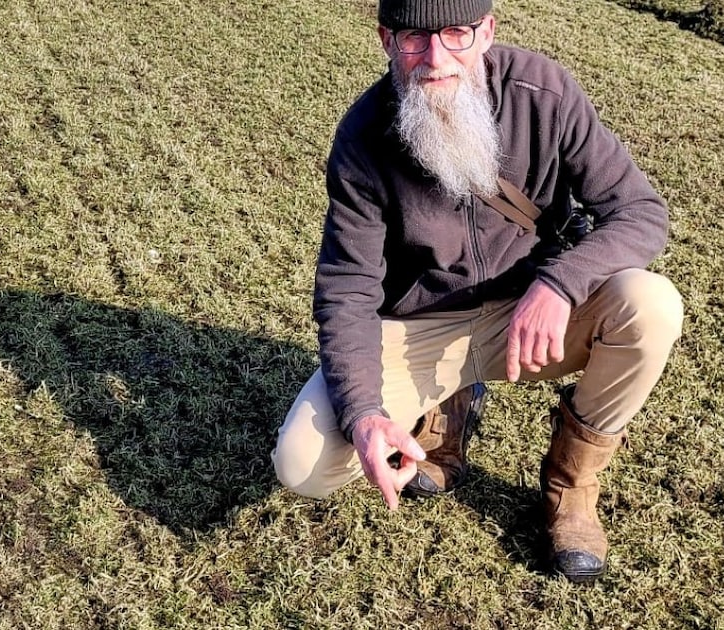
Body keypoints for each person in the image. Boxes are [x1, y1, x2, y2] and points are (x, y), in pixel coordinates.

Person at [272, 0, 683, 583]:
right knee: (303, 467)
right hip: (421, 327)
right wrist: (364, 415)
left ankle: (571, 486)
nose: (436, 58)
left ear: (486, 32)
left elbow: (640, 212)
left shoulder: (544, 92)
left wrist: (561, 284)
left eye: (456, 34)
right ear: (386, 39)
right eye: (415, 38)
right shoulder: (363, 137)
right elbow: (348, 287)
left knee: (651, 306)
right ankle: (448, 407)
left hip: (531, 312)